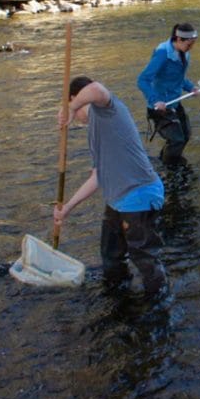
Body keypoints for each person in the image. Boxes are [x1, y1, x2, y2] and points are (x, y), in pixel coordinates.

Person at [54, 77, 166, 295]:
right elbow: (97, 177)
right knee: (110, 256)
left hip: (140, 194)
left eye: (73, 105)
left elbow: (96, 89)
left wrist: (70, 106)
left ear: (76, 99)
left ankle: (159, 307)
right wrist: (67, 208)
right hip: (118, 200)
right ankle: (118, 296)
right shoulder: (93, 131)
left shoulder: (105, 110)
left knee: (143, 258)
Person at [137, 23, 200, 165]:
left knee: (186, 135)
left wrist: (190, 87)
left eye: (193, 44)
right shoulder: (162, 54)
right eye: (189, 44)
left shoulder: (185, 53)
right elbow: (142, 80)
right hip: (160, 107)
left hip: (175, 101)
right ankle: (169, 168)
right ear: (179, 39)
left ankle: (167, 159)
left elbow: (178, 78)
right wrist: (155, 100)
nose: (191, 48)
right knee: (176, 140)